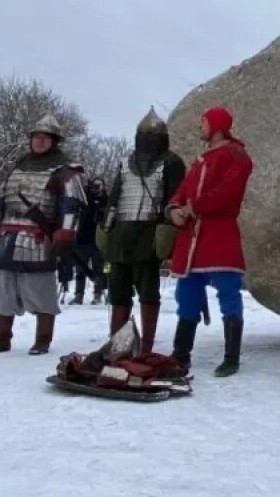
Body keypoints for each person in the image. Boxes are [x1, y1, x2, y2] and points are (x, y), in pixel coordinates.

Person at [0, 114, 86, 356]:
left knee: (41, 290)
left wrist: (65, 234)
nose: (40, 141)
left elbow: (72, 206)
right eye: (36, 137)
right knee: (3, 290)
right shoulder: (16, 167)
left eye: (45, 138)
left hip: (39, 237)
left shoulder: (65, 171)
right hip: (8, 234)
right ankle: (1, 338)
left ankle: (42, 340)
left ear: (54, 141)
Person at [167, 106, 254, 377]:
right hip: (192, 237)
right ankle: (181, 355)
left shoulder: (237, 156)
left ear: (217, 125)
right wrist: (175, 211)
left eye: (203, 122)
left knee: (228, 293)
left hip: (219, 234)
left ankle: (231, 357)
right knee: (187, 295)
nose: (199, 126)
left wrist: (197, 207)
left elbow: (227, 192)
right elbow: (181, 192)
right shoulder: (200, 160)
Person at [103, 108, 186, 354]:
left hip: (149, 233)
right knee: (118, 291)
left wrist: (167, 233)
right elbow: (114, 199)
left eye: (152, 135)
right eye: (144, 135)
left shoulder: (172, 162)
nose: (148, 140)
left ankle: (146, 347)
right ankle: (117, 345)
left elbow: (175, 199)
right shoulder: (125, 162)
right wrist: (105, 229)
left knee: (148, 291)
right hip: (121, 234)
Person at [70, 176, 109, 305]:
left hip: (99, 240)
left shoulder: (106, 200)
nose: (96, 189)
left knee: (100, 269)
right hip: (82, 240)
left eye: (98, 186)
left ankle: (98, 293)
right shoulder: (84, 199)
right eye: (94, 186)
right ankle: (78, 295)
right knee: (80, 269)